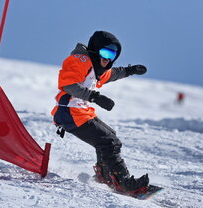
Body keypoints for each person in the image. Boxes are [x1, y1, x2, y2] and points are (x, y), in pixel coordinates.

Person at [51, 31, 149, 192]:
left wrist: (131, 70)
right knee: (109, 141)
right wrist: (95, 96)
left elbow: (113, 74)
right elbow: (68, 84)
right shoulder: (80, 60)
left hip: (80, 112)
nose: (107, 58)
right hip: (69, 112)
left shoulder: (96, 69)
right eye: (104, 52)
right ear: (95, 49)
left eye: (112, 55)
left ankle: (104, 175)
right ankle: (123, 182)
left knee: (110, 136)